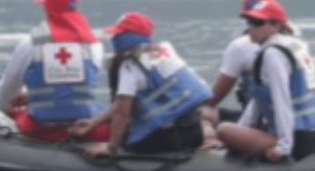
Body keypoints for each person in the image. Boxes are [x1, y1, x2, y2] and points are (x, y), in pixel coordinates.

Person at [73, 12, 214, 157]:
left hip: (166, 139)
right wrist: (94, 122)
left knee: (126, 134)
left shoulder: (130, 64)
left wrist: (111, 147)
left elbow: (122, 113)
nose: (115, 38)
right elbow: (122, 104)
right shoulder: (164, 51)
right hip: (193, 133)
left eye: (119, 34)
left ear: (127, 36)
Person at [216, 0, 315, 161]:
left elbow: (282, 101)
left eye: (258, 22)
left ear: (276, 26)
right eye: (249, 22)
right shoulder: (294, 44)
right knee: (236, 130)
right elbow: (258, 101)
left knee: (224, 130)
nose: (251, 27)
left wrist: (284, 146)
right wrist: (242, 129)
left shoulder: (273, 54)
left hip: (299, 136)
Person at [0, 0, 109, 142]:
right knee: (104, 109)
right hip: (84, 124)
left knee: (11, 109)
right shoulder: (94, 45)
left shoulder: (29, 43)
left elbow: (6, 93)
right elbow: (73, 86)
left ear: (47, 9)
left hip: (41, 126)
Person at [204, 0, 276, 121]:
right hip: (291, 117)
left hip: (260, 120)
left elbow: (214, 98)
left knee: (203, 113)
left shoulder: (241, 46)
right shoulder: (295, 40)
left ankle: (210, 141)